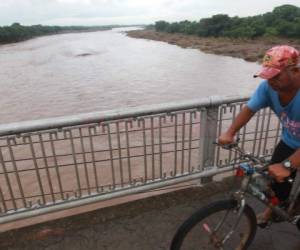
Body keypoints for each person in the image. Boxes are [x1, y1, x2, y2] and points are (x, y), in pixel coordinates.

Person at [218, 45, 300, 226]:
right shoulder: (268, 88)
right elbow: (249, 109)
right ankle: (273, 211)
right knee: (277, 182)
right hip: (290, 141)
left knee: (284, 169)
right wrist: (230, 132)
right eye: (268, 76)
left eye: (276, 76)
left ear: (295, 70)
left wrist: (288, 164)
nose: (271, 82)